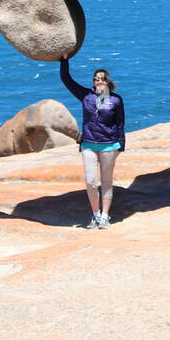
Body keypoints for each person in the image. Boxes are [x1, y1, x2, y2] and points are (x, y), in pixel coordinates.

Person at [59, 54, 126, 229]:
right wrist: (64, 61)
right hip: (88, 144)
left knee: (106, 182)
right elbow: (67, 81)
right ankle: (95, 214)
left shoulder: (116, 100)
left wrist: (121, 146)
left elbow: (120, 124)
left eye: (102, 80)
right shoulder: (86, 96)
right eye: (96, 80)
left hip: (109, 145)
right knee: (90, 181)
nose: (98, 82)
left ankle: (105, 216)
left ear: (107, 82)